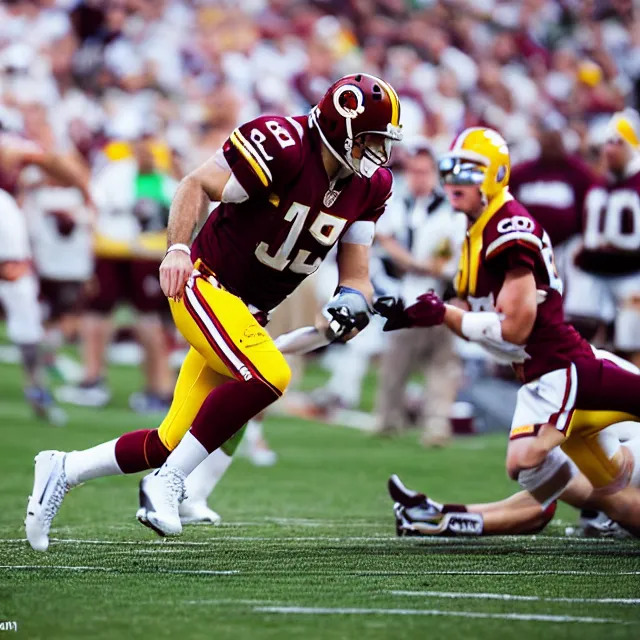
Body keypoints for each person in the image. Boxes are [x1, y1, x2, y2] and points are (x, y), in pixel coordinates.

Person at [25, 73, 403, 550]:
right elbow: (195, 182)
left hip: (248, 311)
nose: (376, 151)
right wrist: (177, 249)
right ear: (341, 125)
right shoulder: (284, 145)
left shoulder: (371, 186)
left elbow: (356, 272)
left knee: (168, 439)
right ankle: (167, 484)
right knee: (270, 375)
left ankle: (64, 468)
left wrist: (353, 300)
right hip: (205, 285)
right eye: (370, 137)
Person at [375, 126, 640, 537]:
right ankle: (447, 518)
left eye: (469, 170)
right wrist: (417, 313)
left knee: (527, 462)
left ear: (496, 174)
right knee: (607, 494)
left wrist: (443, 312)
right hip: (543, 374)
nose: (455, 179)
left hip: (562, 370)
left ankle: (588, 506)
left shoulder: (507, 227)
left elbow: (515, 330)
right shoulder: (476, 229)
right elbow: (478, 319)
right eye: (452, 168)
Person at [55, 130, 176, 412]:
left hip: (144, 251)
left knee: (148, 319)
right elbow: (97, 203)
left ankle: (158, 388)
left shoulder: (163, 177)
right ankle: (93, 380)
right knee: (99, 313)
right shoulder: (116, 168)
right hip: (110, 248)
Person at [0, 120, 92, 423]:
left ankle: (38, 389)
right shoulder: (12, 149)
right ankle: (37, 389)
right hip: (7, 231)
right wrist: (83, 188)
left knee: (26, 309)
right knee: (22, 303)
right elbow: (49, 161)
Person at [374, 141, 465, 445]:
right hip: (406, 292)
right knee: (396, 363)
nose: (418, 178)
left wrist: (435, 267)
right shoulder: (399, 202)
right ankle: (388, 419)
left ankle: (436, 424)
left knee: (441, 364)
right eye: (414, 171)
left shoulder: (450, 209)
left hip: (439, 293)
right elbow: (383, 236)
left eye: (424, 172)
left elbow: (453, 253)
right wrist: (411, 261)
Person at [563, 109, 640, 368]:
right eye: (607, 142)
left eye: (617, 142)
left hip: (632, 274)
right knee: (580, 338)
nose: (610, 150)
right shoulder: (597, 185)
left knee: (631, 344)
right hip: (594, 273)